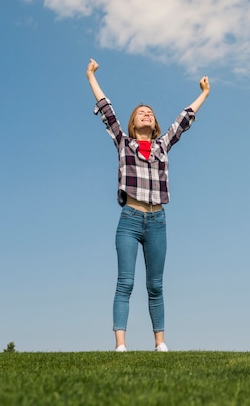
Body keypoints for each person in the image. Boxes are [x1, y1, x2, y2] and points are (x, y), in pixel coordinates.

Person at [86, 58, 210, 352]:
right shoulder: (123, 142)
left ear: (154, 124)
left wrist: (204, 92)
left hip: (157, 222)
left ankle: (160, 344)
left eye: (150, 114)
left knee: (155, 286)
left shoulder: (163, 145)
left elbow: (184, 118)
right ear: (133, 122)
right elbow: (106, 110)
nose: (146, 115)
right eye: (141, 113)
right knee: (125, 283)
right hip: (129, 219)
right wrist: (91, 75)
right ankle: (120, 345)